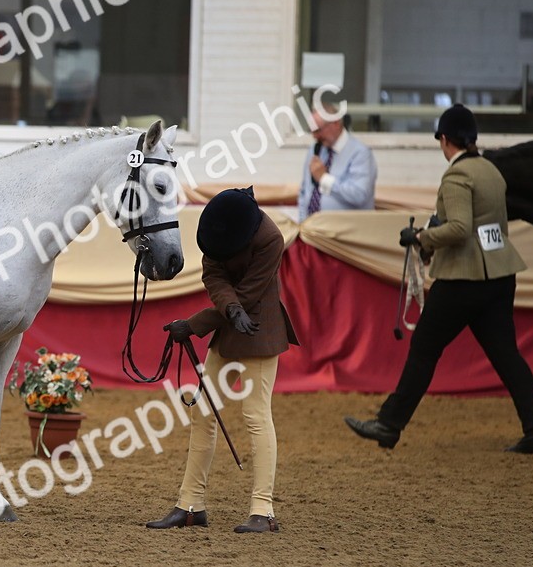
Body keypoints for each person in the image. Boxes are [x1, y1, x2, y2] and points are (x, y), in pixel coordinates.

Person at [345, 103, 533, 454]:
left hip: (463, 279)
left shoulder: (456, 176)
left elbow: (458, 229)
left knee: (424, 348)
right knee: (506, 354)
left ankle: (389, 424)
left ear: (444, 140)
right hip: (498, 276)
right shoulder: (491, 171)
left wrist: (420, 239)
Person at [146, 187, 300, 534]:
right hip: (231, 320)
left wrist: (194, 325)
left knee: (255, 414)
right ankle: (190, 506)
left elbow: (249, 294)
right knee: (202, 410)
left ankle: (263, 511)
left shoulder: (271, 238)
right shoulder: (215, 232)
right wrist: (229, 309)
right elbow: (214, 276)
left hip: (260, 326)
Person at [297, 104, 378, 221]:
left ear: (335, 123)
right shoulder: (315, 149)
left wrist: (324, 178)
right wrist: (302, 222)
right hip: (312, 229)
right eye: (311, 131)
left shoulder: (360, 153)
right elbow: (304, 191)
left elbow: (359, 195)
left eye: (318, 130)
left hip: (346, 231)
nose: (315, 136)